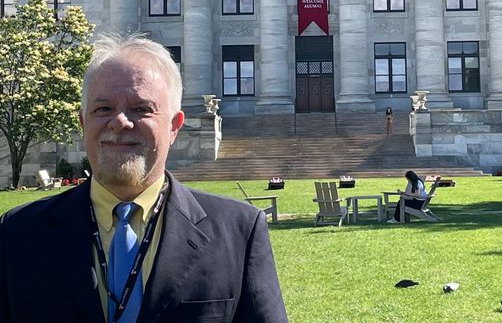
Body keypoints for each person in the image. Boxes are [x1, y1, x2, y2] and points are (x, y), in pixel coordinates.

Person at [0, 34, 288, 323]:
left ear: (174, 126)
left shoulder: (238, 232)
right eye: (103, 109)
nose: (120, 121)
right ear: (83, 123)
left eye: (141, 109)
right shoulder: (17, 234)